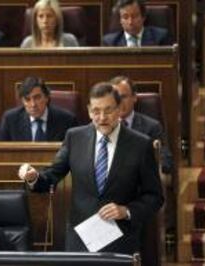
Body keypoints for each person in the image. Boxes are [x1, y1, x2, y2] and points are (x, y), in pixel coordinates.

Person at [18, 82, 163, 255]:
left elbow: (155, 196)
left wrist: (126, 211)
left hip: (120, 240)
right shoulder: (74, 137)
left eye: (108, 110)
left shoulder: (140, 144)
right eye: (96, 111)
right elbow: (51, 176)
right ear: (88, 110)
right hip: (80, 240)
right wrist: (34, 177)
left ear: (119, 109)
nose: (102, 117)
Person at [110, 75, 174, 174]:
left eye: (123, 97)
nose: (119, 102)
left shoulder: (152, 127)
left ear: (134, 97)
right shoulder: (103, 126)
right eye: (115, 98)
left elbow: (166, 160)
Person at [0, 76, 78, 141]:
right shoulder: (10, 119)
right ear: (22, 101)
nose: (33, 104)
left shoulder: (67, 120)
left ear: (46, 97)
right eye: (27, 99)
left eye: (37, 98)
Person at [103, 0, 172, 46]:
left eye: (134, 16)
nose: (130, 22)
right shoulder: (110, 42)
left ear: (143, 17)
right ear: (120, 20)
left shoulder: (160, 38)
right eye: (125, 17)